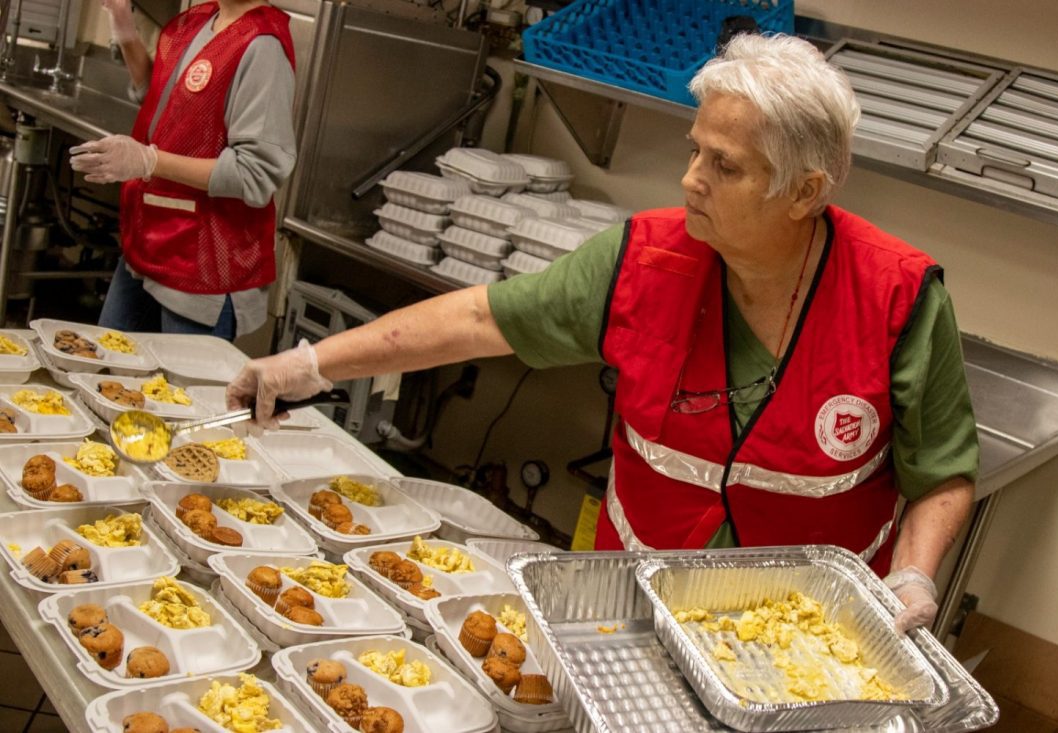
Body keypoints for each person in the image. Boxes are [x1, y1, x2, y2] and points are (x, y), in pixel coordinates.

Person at [227, 34, 978, 632]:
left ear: (806, 192)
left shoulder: (898, 298)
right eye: (693, 150)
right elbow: (480, 317)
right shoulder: (644, 261)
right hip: (631, 611)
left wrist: (913, 573)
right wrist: (308, 364)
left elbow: (940, 471)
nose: (690, 179)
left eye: (725, 165)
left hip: (798, 637)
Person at [69, 0, 297, 341]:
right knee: (105, 372)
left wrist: (148, 161)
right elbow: (158, 94)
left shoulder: (262, 46)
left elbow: (254, 173)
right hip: (149, 246)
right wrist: (123, 27)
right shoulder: (196, 22)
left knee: (178, 394)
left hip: (203, 266)